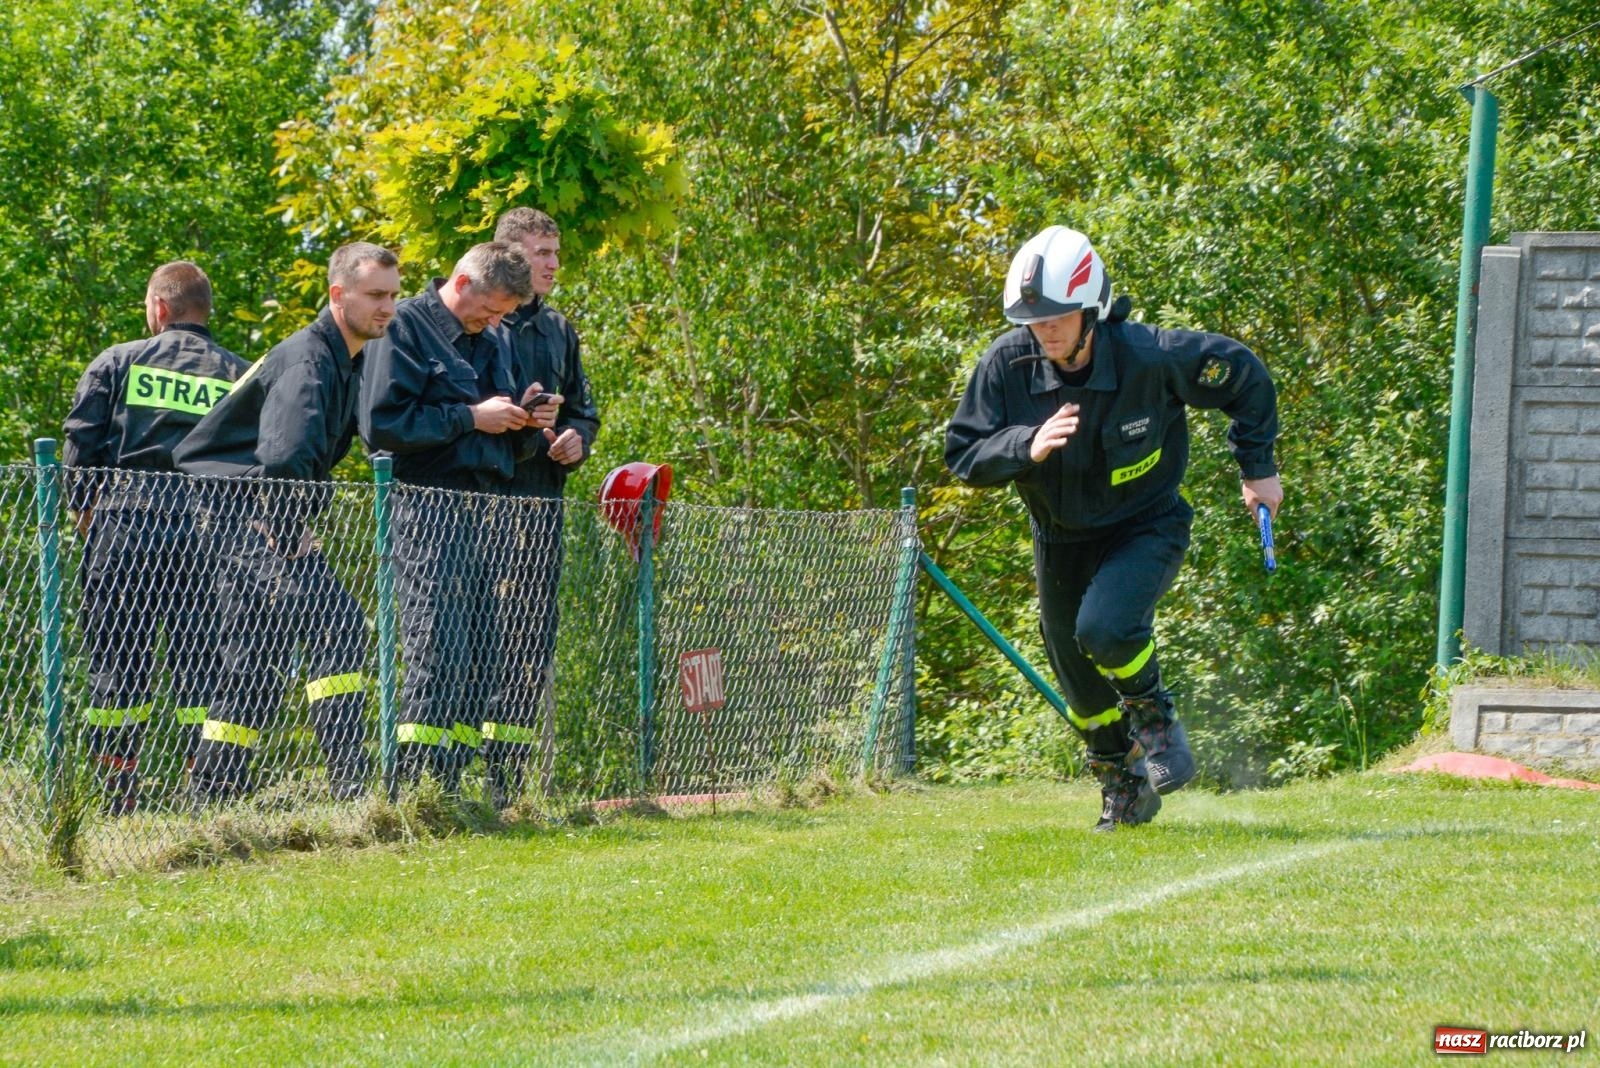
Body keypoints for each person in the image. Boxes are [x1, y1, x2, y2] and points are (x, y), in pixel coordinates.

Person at [945, 225, 1282, 832]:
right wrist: (1027, 444)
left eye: (1057, 316)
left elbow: (1245, 376)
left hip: (1145, 523)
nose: (1044, 330)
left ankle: (1155, 719)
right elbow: (965, 454)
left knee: (1106, 628)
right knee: (1077, 680)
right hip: (1061, 536)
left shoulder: (1151, 354)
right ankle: (1123, 784)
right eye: (1032, 318)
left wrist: (1258, 469)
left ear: (1091, 308)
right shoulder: (1005, 364)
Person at [174, 242, 402, 802]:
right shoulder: (309, 360)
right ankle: (351, 785)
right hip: (249, 511)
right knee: (340, 628)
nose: (387, 308)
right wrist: (287, 522)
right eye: (375, 295)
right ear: (337, 295)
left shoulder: (343, 357)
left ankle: (212, 790)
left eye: (394, 296)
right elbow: (284, 454)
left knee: (255, 657)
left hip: (245, 507)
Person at [359, 241, 552, 794]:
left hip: (486, 507)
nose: (493, 323)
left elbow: (505, 443)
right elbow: (382, 427)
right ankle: (410, 787)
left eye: (503, 316)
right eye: (489, 310)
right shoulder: (404, 329)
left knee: (481, 651)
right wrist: (470, 417)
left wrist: (524, 421)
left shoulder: (493, 339)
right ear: (462, 283)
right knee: (436, 644)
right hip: (426, 506)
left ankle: (450, 787)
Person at [62, 262, 250, 814]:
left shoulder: (118, 361)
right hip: (207, 536)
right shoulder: (239, 374)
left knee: (117, 665)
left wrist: (87, 517)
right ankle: (205, 796)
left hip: (126, 526)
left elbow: (80, 448)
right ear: (205, 311)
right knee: (204, 667)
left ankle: (118, 798)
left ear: (160, 308)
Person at [481, 207, 600, 803]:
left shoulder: (559, 330)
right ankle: (449, 779)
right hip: (478, 505)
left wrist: (577, 440)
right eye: (541, 253)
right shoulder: (477, 324)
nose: (553, 264)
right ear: (509, 256)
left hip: (540, 506)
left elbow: (584, 409)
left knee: (530, 642)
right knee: (475, 640)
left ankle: (508, 782)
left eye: (556, 253)